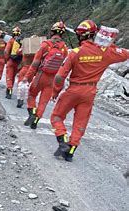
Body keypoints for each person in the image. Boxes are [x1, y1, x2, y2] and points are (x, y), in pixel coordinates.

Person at [51, 20, 128, 162]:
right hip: (90, 92)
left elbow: (59, 76)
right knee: (80, 123)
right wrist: (108, 45)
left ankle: (62, 143)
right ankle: (71, 152)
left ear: (80, 36)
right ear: (96, 34)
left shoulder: (75, 53)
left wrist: (56, 91)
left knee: (56, 117)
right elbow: (124, 54)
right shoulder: (106, 52)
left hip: (73, 90)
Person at [21, 22, 68, 128]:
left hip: (41, 75)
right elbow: (63, 67)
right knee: (44, 101)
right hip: (53, 78)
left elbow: (35, 64)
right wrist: (59, 87)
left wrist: (26, 78)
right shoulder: (64, 48)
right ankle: (36, 121)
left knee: (32, 94)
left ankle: (32, 113)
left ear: (52, 31)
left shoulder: (45, 45)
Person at [4, 26, 23, 99]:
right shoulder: (22, 41)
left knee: (9, 76)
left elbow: (6, 51)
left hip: (11, 61)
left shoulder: (11, 41)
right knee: (13, 76)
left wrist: (6, 60)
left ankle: (9, 91)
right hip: (18, 63)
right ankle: (18, 94)